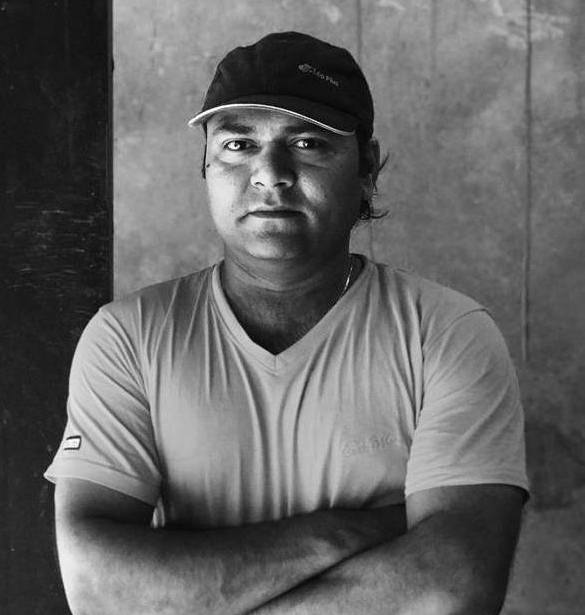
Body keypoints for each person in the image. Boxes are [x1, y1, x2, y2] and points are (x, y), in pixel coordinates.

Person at [45, 31, 529, 615]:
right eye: (238, 144)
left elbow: (451, 588)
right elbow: (99, 590)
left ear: (366, 167)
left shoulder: (445, 333)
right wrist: (348, 531)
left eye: (306, 142)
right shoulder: (130, 337)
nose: (270, 173)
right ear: (205, 165)